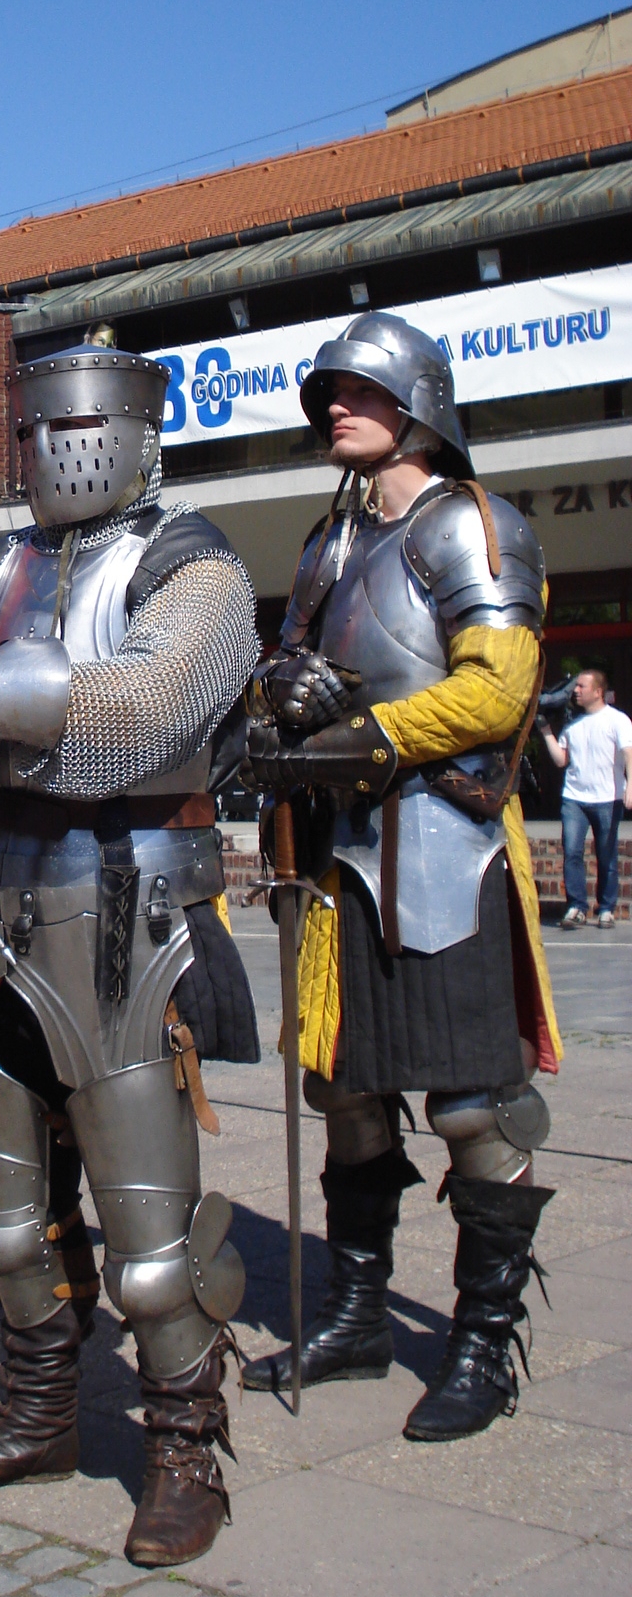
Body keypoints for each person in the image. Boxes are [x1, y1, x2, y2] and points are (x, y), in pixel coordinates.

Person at [0, 343, 261, 1567]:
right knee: (4, 1212)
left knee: (150, 1225)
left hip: (130, 903)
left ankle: (186, 1445)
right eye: (41, 426)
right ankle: (36, 1408)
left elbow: (145, 706)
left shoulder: (194, 563)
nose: (63, 445)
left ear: (141, 430)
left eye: (87, 421)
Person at [243, 311, 561, 1445]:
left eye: (357, 390)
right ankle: (360, 1313)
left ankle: (482, 1341)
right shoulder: (331, 542)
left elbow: (494, 693)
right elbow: (298, 670)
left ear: (418, 401)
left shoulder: (475, 525)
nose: (334, 404)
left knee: (477, 1104)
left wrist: (360, 733)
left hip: (447, 846)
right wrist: (284, 703)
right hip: (341, 856)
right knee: (349, 1096)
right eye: (326, 390)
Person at [542, 668, 632, 927]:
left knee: (606, 854)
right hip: (574, 798)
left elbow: (628, 754)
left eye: (581, 686)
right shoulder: (572, 725)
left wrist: (630, 787)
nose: (576, 691)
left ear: (598, 691)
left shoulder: (618, 720)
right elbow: (561, 760)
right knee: (571, 852)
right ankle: (576, 907)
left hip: (608, 797)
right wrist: (546, 731)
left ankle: (606, 908)